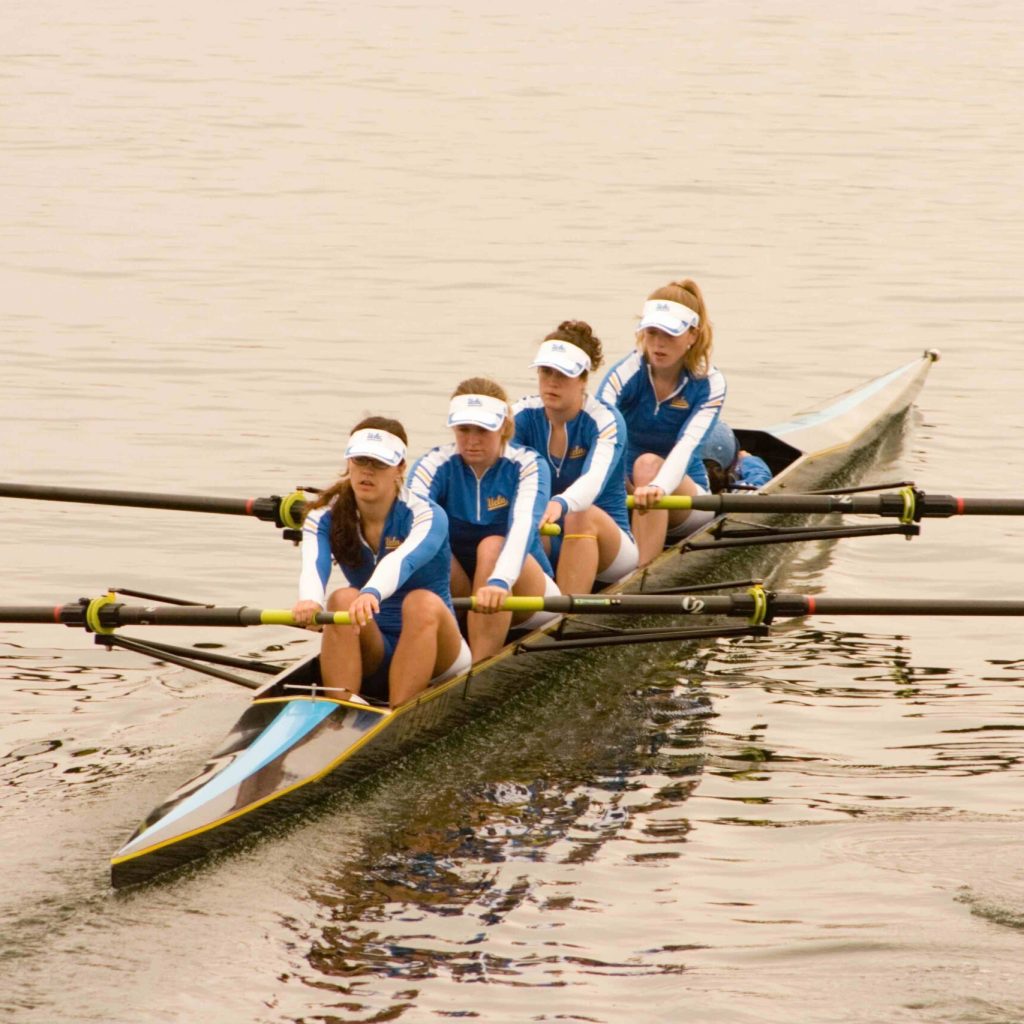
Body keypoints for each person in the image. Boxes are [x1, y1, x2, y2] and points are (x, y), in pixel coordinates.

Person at [291, 417, 471, 707]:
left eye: (379, 463)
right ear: (348, 462)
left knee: (420, 601)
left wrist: (372, 592)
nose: (367, 471)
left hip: (440, 654)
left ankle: (396, 717)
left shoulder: (426, 514)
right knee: (342, 598)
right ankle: (338, 710)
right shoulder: (323, 515)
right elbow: (313, 563)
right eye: (360, 460)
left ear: (400, 468)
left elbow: (402, 562)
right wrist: (310, 601)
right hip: (376, 649)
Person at [408, 378, 558, 661]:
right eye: (464, 429)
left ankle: (476, 669)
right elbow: (408, 526)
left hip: (526, 595)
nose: (472, 440)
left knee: (491, 546)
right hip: (462, 593)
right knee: (426, 547)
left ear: (503, 427)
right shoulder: (434, 465)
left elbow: (523, 525)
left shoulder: (527, 464)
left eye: (483, 429)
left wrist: (500, 581)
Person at [598, 278, 726, 566]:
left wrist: (659, 488)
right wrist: (623, 488)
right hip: (625, 493)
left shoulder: (709, 383)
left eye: (670, 333)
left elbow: (687, 447)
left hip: (684, 501)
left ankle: (638, 578)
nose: (658, 343)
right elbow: (598, 437)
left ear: (692, 335)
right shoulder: (625, 373)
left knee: (647, 465)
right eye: (652, 331)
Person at [512, 321, 638, 594]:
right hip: (546, 535)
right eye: (546, 372)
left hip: (608, 546)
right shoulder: (520, 415)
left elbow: (593, 480)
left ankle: (563, 622)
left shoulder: (605, 420)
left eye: (563, 374)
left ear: (583, 378)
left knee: (579, 515)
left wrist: (560, 503)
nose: (552, 382)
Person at [701, 419, 773, 493]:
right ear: (732, 464)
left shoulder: (691, 490)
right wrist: (748, 460)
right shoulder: (738, 494)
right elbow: (760, 480)